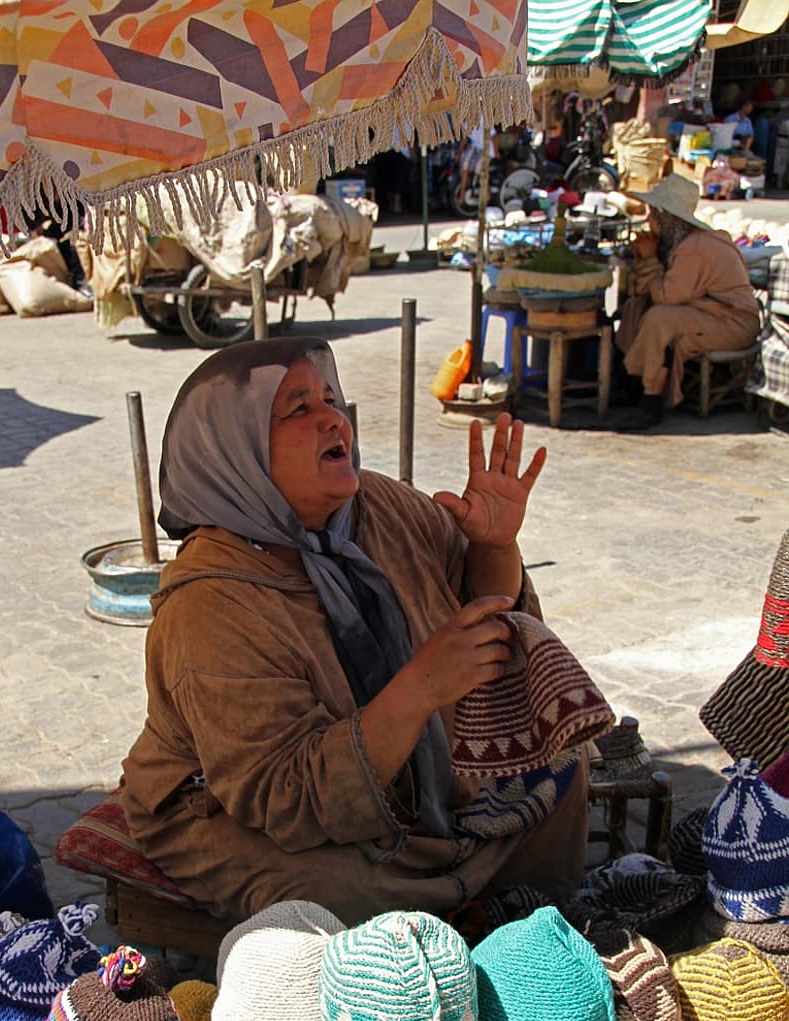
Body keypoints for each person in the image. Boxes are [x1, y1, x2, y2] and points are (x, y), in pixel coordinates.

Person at [120, 338, 595, 930]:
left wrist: (493, 546)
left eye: (330, 399)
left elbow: (488, 622)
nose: (333, 419)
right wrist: (419, 688)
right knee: (332, 897)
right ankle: (442, 945)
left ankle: (520, 938)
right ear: (234, 451)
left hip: (412, 776)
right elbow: (285, 797)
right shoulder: (210, 603)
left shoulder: (381, 507)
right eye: (298, 410)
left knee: (562, 771)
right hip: (228, 812)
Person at [612, 175, 760, 431]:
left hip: (733, 323)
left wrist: (649, 258)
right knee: (634, 307)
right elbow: (649, 290)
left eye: (653, 216)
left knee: (661, 319)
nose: (649, 222)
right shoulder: (681, 243)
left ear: (667, 218)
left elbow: (667, 296)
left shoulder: (696, 246)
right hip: (707, 314)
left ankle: (651, 400)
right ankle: (630, 381)